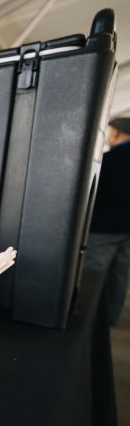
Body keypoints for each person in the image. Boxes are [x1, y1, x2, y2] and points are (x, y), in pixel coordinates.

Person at [83, 116, 130, 324]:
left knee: (93, 274)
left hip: (103, 230)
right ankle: (110, 319)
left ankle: (86, 319)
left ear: (118, 134)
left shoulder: (109, 161)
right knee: (119, 276)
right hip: (127, 231)